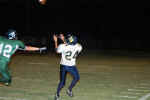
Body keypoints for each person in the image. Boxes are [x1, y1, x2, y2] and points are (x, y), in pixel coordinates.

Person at [53, 33, 82, 100]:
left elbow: (57, 50)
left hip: (64, 66)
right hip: (72, 66)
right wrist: (63, 39)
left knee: (62, 82)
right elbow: (70, 43)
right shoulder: (79, 47)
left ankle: (57, 94)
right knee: (76, 78)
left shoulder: (62, 46)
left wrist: (56, 41)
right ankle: (69, 90)